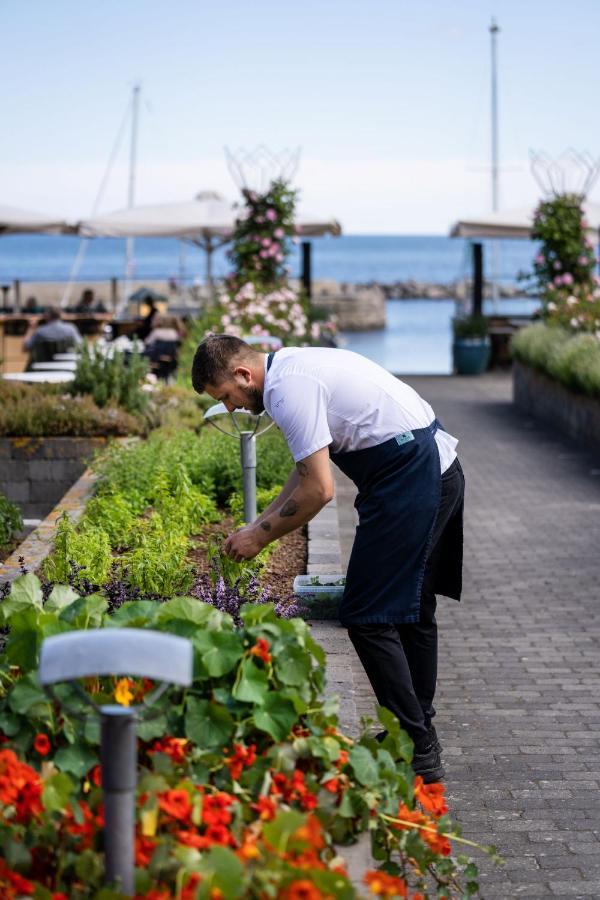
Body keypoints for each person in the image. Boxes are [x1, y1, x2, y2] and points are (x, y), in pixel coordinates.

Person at [191, 334, 464, 784]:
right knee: (412, 610)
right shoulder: (289, 369)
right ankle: (414, 734)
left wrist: (259, 538)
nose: (231, 408)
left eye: (226, 397)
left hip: (413, 473)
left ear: (243, 375)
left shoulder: (285, 390)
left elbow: (319, 490)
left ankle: (418, 745)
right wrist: (262, 520)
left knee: (368, 616)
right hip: (430, 468)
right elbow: (305, 469)